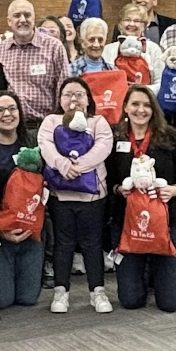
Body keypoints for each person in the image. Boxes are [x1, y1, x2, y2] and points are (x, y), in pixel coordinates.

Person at [107, 85, 176, 310]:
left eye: (146, 105)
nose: (140, 110)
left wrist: (175, 189)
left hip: (168, 220)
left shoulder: (170, 136)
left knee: (170, 304)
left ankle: (158, 276)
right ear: (125, 107)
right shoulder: (114, 137)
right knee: (131, 301)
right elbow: (106, 177)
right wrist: (117, 189)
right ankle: (142, 274)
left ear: (154, 109)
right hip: (128, 223)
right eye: (135, 104)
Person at [38, 78, 115, 313]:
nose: (74, 99)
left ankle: (97, 292)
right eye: (68, 94)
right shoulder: (51, 121)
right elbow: (45, 145)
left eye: (79, 94)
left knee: (93, 243)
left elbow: (104, 146)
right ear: (60, 99)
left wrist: (77, 167)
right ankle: (61, 292)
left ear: (88, 99)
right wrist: (62, 165)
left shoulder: (98, 121)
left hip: (93, 196)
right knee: (64, 244)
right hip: (61, 195)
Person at [0, 93, 44, 309]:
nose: (7, 114)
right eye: (0, 110)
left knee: (28, 299)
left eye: (12, 108)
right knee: (2, 300)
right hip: (0, 232)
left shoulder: (35, 146)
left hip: (31, 231)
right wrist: (0, 230)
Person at [0, 0, 70, 133]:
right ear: (9, 21)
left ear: (34, 19)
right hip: (10, 129)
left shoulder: (54, 47)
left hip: (45, 127)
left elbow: (64, 88)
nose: (23, 20)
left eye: (27, 15)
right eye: (17, 15)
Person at [115, 3, 167, 83]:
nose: (132, 24)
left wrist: (142, 92)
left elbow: (160, 81)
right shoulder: (108, 49)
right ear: (120, 25)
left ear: (145, 26)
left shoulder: (154, 49)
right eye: (127, 20)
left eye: (137, 21)